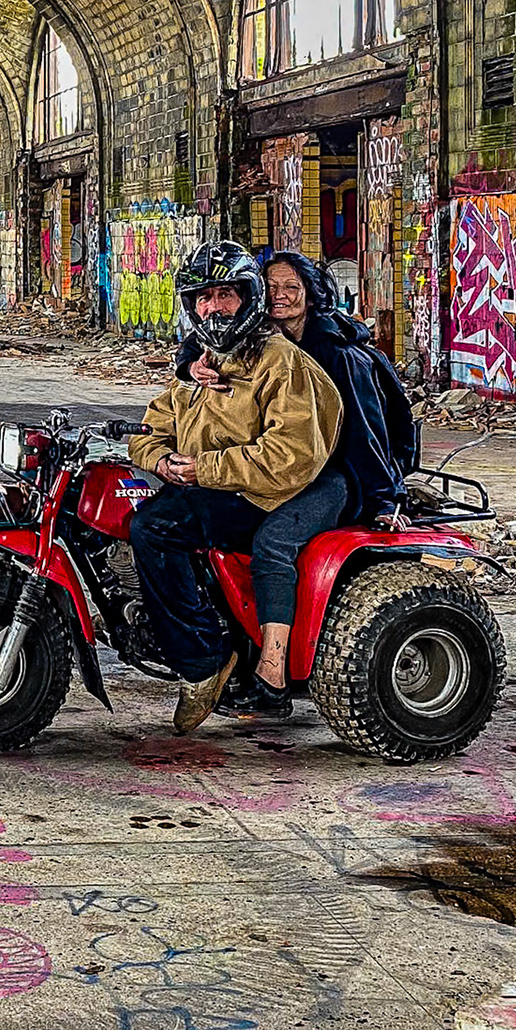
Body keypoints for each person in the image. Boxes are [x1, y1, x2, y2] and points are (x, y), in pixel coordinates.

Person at [176, 251, 417, 720]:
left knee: (274, 541)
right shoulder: (254, 339)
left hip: (336, 473)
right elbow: (196, 348)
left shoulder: (335, 351)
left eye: (293, 287)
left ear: (311, 293)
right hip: (279, 467)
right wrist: (191, 365)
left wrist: (387, 500)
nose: (281, 296)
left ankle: (272, 675)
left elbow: (367, 433)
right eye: (272, 288)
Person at [124, 242, 343, 734]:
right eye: (203, 297)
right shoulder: (200, 363)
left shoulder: (281, 362)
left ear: (248, 298)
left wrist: (204, 469)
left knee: (155, 527)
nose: (214, 306)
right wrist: (161, 459)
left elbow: (290, 457)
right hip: (221, 484)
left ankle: (204, 662)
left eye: (226, 294)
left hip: (272, 494)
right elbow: (151, 429)